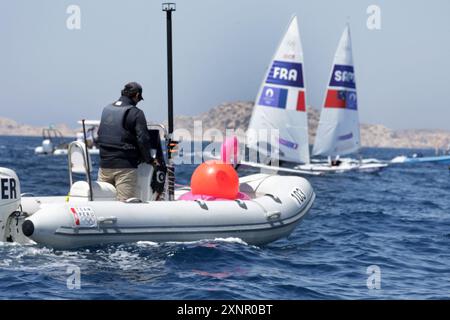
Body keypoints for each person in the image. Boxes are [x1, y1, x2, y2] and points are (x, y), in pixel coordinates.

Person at [96, 82, 155, 201]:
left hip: (104, 166)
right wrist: (149, 159)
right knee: (124, 207)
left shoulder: (107, 109)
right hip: (125, 168)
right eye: (139, 99)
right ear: (137, 95)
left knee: (102, 203)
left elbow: (100, 134)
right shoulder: (136, 113)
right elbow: (143, 139)